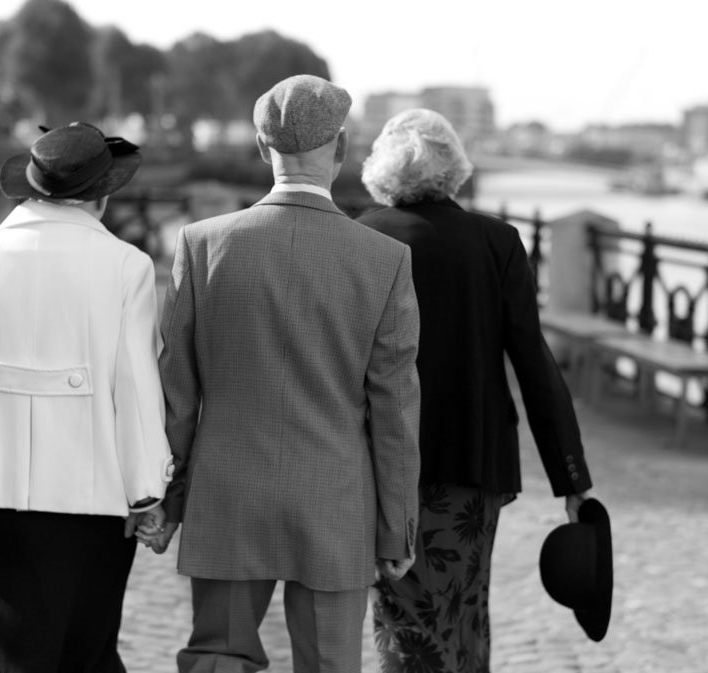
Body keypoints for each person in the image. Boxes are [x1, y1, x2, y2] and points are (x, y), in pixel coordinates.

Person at [146, 75, 422, 673]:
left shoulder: (202, 245)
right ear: (343, 148)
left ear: (262, 148)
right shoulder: (384, 259)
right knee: (327, 665)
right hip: (335, 499)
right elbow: (395, 408)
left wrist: (166, 497)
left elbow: (177, 390)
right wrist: (396, 526)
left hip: (228, 491)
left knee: (218, 659)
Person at [0, 122, 175, 673]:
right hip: (93, 490)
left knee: (15, 640)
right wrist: (148, 494)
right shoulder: (128, 267)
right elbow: (136, 386)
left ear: (30, 187)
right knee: (87, 647)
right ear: (102, 193)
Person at [355, 109, 595, 673]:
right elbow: (533, 363)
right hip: (474, 465)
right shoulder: (497, 241)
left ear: (381, 168)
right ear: (456, 167)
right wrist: (573, 479)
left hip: (382, 462)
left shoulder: (359, 236)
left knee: (402, 618)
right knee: (466, 609)